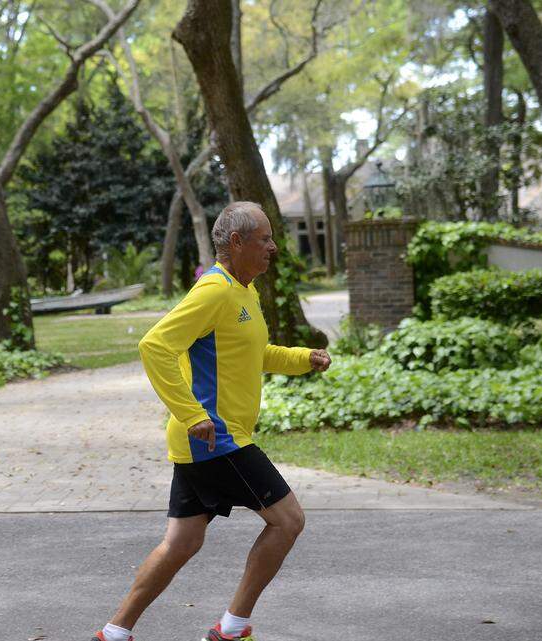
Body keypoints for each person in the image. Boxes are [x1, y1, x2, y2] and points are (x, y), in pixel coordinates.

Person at [91, 201, 332, 641]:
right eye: (264, 239)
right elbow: (155, 346)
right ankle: (232, 628)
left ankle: (114, 632)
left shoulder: (244, 290)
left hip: (206, 440)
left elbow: (253, 354)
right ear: (236, 242)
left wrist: (302, 358)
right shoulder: (214, 291)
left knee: (181, 544)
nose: (273, 247)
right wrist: (191, 414)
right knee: (288, 520)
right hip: (216, 438)